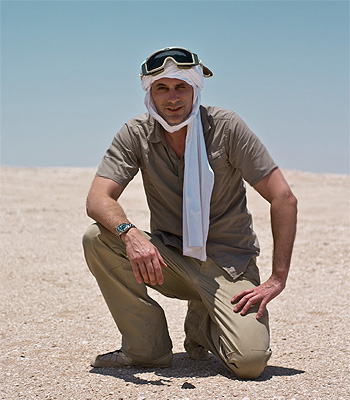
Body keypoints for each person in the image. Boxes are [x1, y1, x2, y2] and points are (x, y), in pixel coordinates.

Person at [83, 46, 297, 379]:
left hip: (229, 265)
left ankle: (203, 324)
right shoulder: (136, 133)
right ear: (149, 92)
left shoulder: (226, 127)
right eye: (161, 88)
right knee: (98, 237)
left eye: (180, 86)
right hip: (172, 261)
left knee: (250, 363)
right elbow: (98, 199)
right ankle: (146, 348)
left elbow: (283, 197)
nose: (172, 98)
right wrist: (131, 234)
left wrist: (277, 278)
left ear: (195, 87)